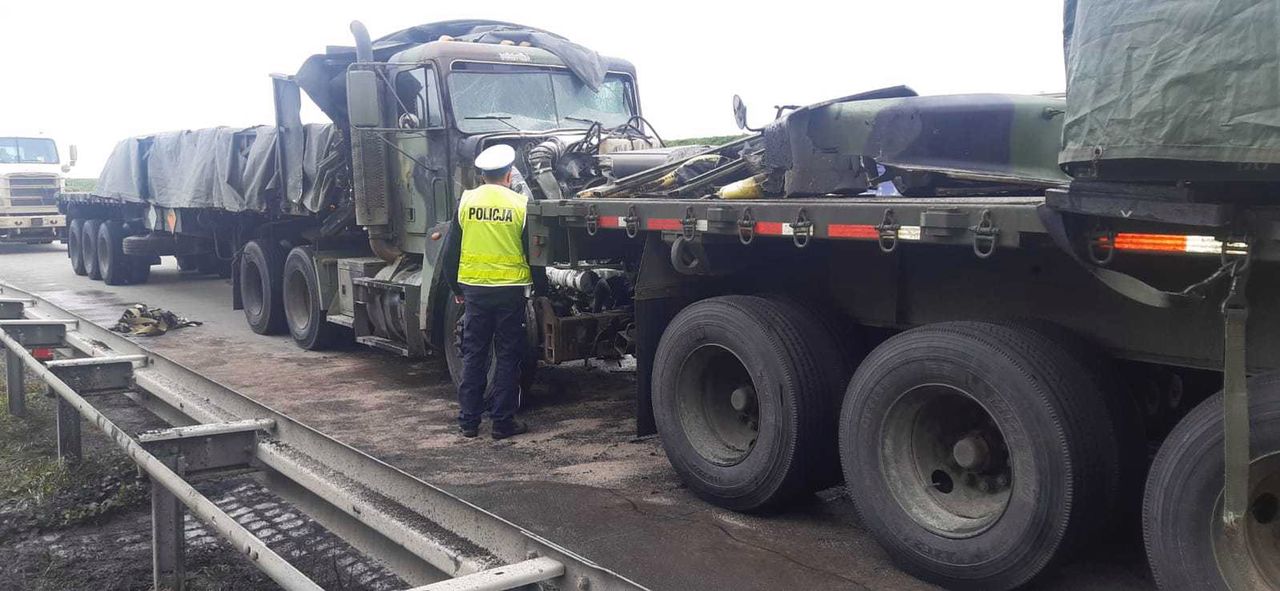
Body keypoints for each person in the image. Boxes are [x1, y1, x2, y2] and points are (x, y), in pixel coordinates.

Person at [440, 144, 545, 439]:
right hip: (510, 293)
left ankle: (468, 422)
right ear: (509, 174)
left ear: (482, 175)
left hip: (474, 291)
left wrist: (456, 288)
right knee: (508, 356)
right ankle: (502, 423)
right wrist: (542, 289)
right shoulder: (519, 205)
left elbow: (450, 253)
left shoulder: (466, 201)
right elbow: (532, 255)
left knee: (474, 356)